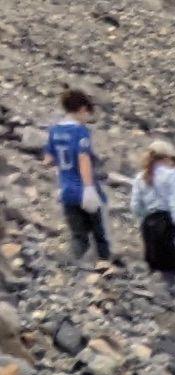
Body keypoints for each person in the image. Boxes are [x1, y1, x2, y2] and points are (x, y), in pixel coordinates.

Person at [42, 92, 110, 270]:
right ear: (82, 109)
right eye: (88, 113)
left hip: (66, 191)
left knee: (78, 235)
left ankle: (72, 266)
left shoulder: (55, 130)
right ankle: (104, 265)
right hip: (84, 190)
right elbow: (83, 158)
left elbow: (48, 159)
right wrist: (88, 188)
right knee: (99, 232)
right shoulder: (80, 131)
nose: (88, 117)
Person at [127, 144, 175, 294]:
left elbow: (135, 207)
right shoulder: (171, 175)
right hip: (167, 225)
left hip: (148, 227)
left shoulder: (139, 178)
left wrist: (147, 217)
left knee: (161, 269)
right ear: (166, 158)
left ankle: (165, 296)